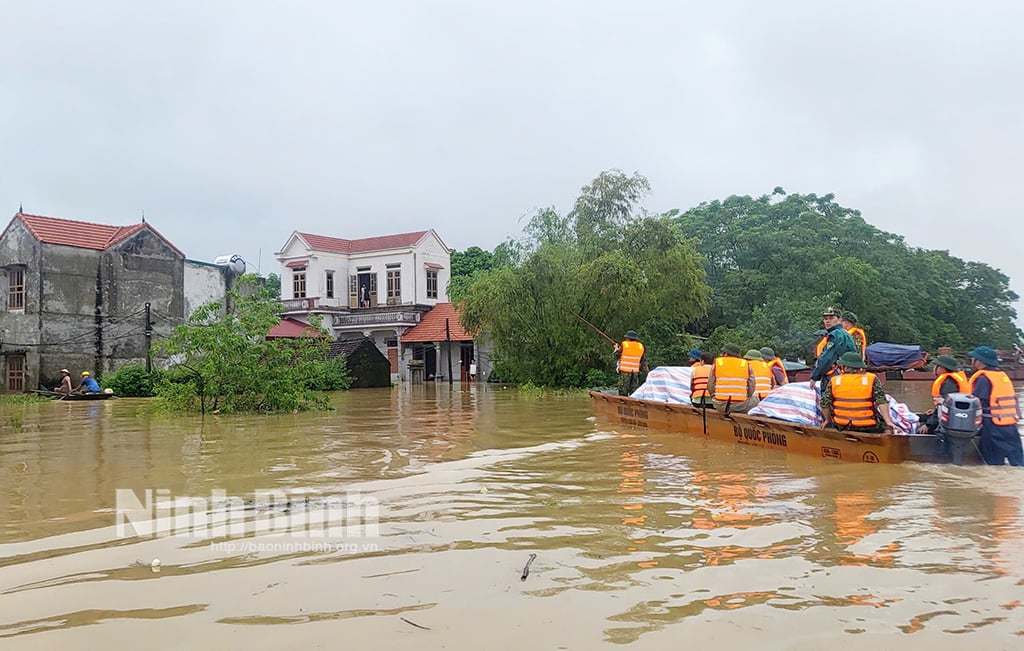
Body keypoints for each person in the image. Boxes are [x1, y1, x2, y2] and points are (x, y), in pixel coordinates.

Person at [966, 346, 1022, 466]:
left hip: (991, 426)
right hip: (1010, 426)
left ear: (980, 361)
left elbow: (976, 402)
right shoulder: (1002, 376)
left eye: (973, 358)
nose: (971, 360)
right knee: (1018, 463)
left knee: (993, 464)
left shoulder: (982, 378)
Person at [820, 352, 895, 433]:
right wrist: (888, 422)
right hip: (867, 427)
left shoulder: (835, 380)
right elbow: (881, 401)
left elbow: (824, 403)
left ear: (844, 367)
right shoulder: (871, 379)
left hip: (841, 425)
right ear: (860, 366)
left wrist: (827, 420)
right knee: (884, 427)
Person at [918, 354, 970, 435]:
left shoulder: (948, 383)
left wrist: (928, 424)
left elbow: (945, 406)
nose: (934, 369)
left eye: (936, 366)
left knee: (920, 429)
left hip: (949, 423)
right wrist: (935, 411)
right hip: (955, 418)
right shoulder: (952, 381)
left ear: (942, 369)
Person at [810, 307, 857, 392]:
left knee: (828, 403)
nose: (827, 321)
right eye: (825, 319)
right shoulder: (845, 334)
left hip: (835, 377)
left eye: (831, 318)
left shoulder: (835, 335)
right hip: (848, 376)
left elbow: (827, 358)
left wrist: (815, 377)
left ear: (839, 320)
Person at [707, 343, 757, 414]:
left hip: (720, 405)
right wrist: (746, 396)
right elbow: (752, 386)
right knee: (756, 398)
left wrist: (714, 396)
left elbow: (710, 385)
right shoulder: (746, 364)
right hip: (740, 405)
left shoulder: (717, 363)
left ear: (725, 354)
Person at [614, 330, 647, 397]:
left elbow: (616, 356)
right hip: (635, 373)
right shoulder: (640, 346)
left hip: (625, 372)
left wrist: (616, 349)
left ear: (628, 338)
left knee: (623, 392)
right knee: (634, 392)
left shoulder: (625, 344)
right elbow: (642, 360)